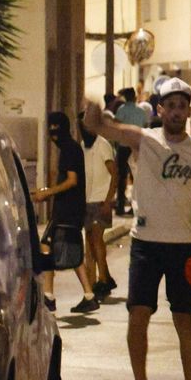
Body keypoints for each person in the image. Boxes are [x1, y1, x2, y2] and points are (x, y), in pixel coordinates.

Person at [82, 77, 191, 380]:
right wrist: (93, 103)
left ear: (189, 110)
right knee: (138, 316)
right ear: (159, 110)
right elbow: (96, 125)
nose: (176, 112)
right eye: (169, 106)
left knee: (186, 322)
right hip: (146, 244)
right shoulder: (144, 140)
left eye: (181, 106)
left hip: (185, 246)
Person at [34, 112, 98, 314]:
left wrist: (47, 193)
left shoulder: (69, 149)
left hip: (67, 210)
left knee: (47, 245)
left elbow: (72, 181)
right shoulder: (71, 148)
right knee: (70, 249)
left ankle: (48, 295)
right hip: (71, 210)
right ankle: (89, 295)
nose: (53, 134)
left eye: (56, 129)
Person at [78, 112, 119, 301]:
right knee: (89, 243)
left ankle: (103, 279)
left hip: (100, 199)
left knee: (96, 239)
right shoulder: (83, 146)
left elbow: (114, 173)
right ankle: (95, 281)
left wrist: (109, 200)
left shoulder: (102, 144)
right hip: (86, 200)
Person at [114, 87, 149, 216]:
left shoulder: (121, 110)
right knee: (138, 176)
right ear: (134, 97)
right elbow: (145, 126)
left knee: (121, 177)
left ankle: (120, 206)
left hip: (124, 145)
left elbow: (116, 126)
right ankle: (138, 206)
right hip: (137, 146)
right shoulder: (141, 111)